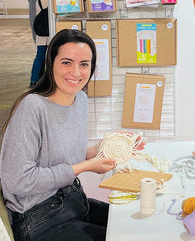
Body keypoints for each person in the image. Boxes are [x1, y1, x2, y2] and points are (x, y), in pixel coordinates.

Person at [0, 29, 116, 241]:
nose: (76, 73)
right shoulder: (32, 106)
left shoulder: (79, 99)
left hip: (73, 202)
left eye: (84, 64)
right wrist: (85, 167)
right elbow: (18, 181)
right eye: (66, 62)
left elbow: (63, 158)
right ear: (51, 63)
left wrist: (106, 147)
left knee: (133, 225)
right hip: (39, 219)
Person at [27, 0, 46, 87]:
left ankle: (37, 78)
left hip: (37, 28)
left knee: (41, 54)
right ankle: (34, 79)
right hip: (42, 30)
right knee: (41, 54)